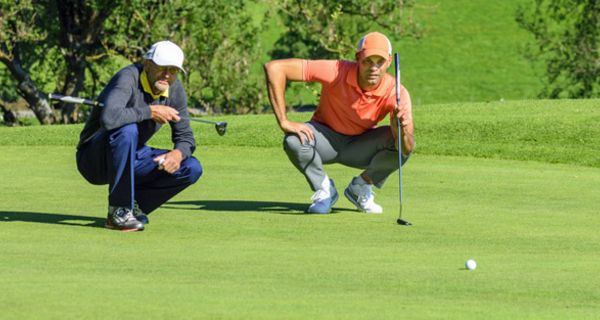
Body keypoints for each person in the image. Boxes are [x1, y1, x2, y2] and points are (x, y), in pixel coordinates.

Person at [263, 32, 415, 214]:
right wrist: (284, 121)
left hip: (360, 146)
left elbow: (406, 148)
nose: (373, 68)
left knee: (401, 146)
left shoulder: (397, 93)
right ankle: (325, 190)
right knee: (293, 141)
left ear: (389, 62)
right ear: (358, 58)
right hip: (324, 138)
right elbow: (275, 68)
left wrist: (401, 128)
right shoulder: (336, 70)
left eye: (379, 62)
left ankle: (360, 187)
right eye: (368, 61)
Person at [76, 40, 202, 231]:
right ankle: (118, 211)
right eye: (162, 68)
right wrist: (150, 111)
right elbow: (110, 118)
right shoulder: (127, 78)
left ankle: (134, 206)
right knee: (127, 130)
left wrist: (178, 154)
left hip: (130, 157)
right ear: (148, 64)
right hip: (94, 159)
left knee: (191, 167)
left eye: (173, 70)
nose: (167, 75)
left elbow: (185, 137)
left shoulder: (174, 90)